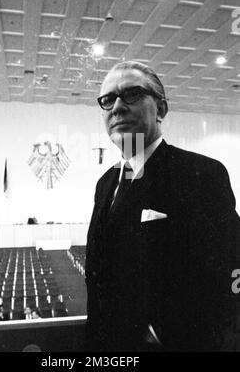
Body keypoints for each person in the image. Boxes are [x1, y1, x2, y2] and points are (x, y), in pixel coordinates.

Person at [85, 60, 240, 352]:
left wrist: (165, 334)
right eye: (108, 100)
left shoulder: (200, 174)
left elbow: (230, 273)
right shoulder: (104, 184)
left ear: (161, 109)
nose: (117, 106)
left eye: (131, 94)